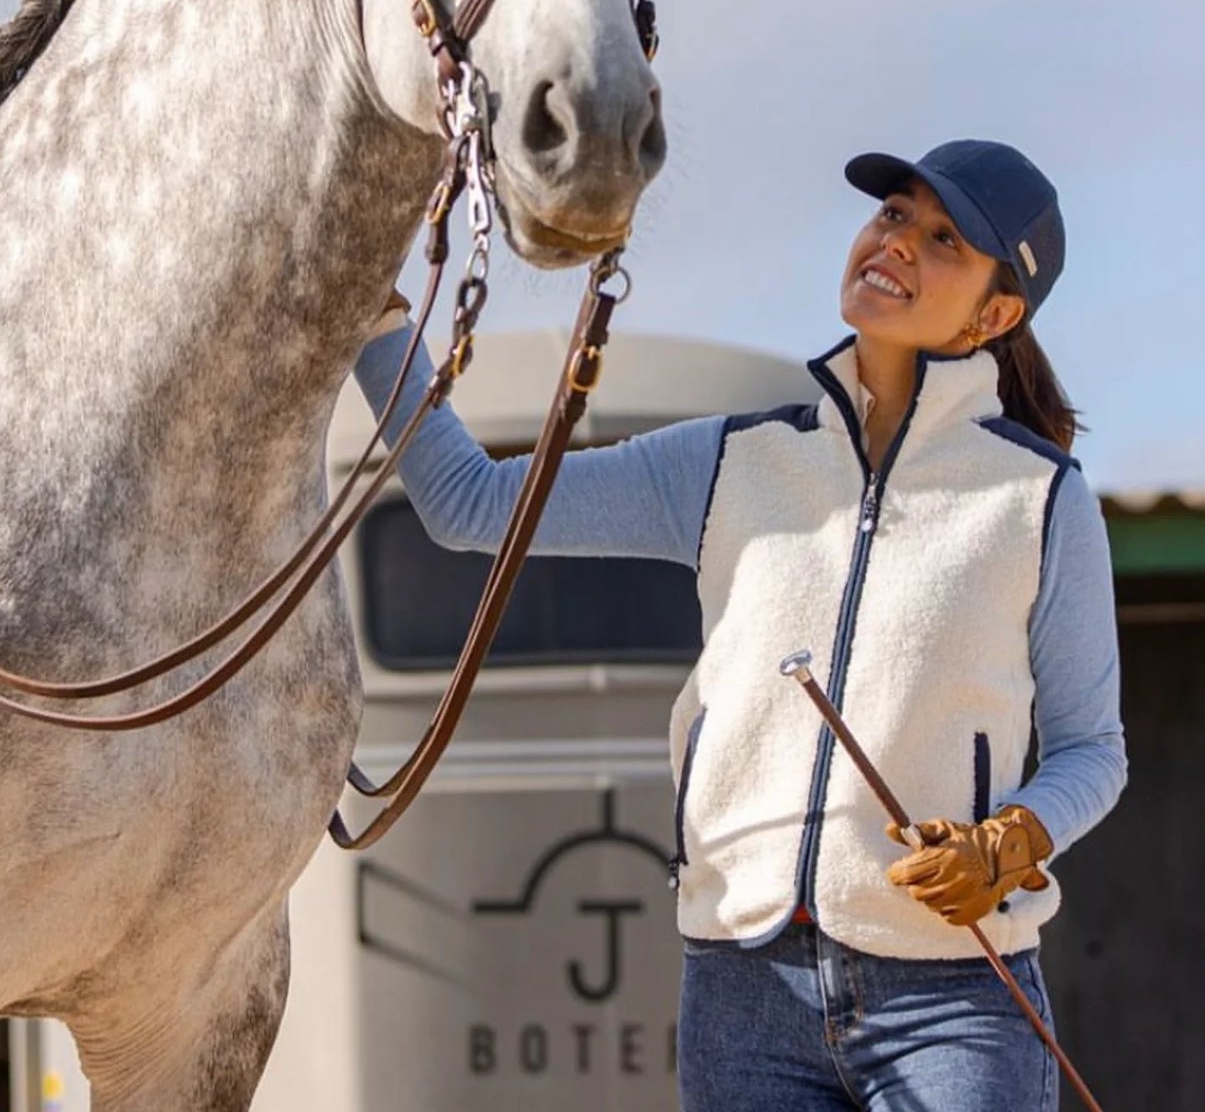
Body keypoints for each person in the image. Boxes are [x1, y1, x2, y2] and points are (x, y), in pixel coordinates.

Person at [352, 139, 1125, 1111]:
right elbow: (469, 505)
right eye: (892, 213)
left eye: (942, 239)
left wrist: (1006, 839)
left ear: (994, 312)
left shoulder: (1037, 500)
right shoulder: (728, 463)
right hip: (742, 987)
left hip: (951, 999)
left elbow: (1092, 750)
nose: (896, 243)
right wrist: (371, 313)